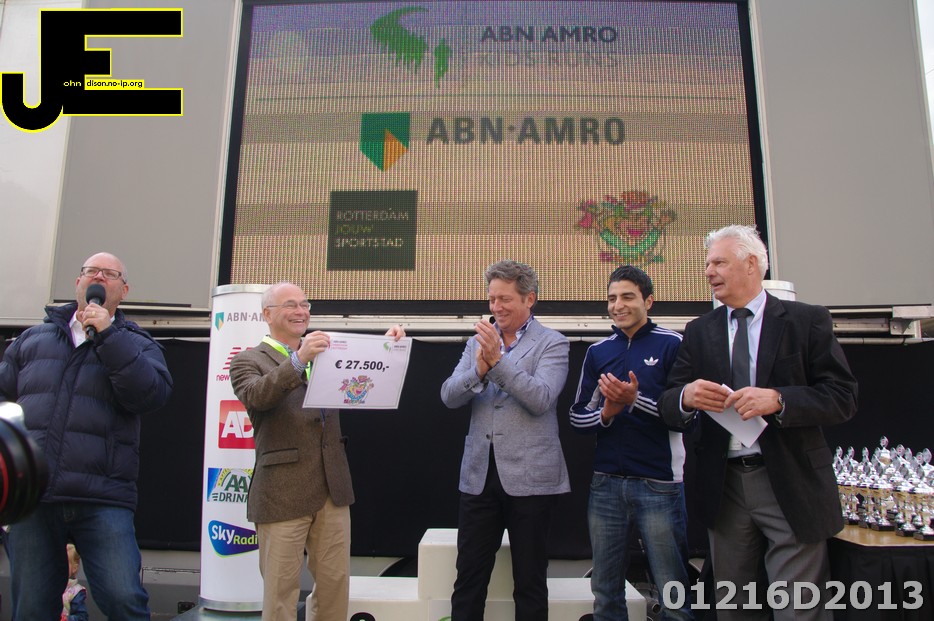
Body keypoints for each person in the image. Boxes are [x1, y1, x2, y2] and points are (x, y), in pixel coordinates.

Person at [658, 225, 858, 620]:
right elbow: (668, 402)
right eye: (708, 264)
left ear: (751, 264)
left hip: (790, 480)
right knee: (734, 607)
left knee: (798, 608)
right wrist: (685, 397)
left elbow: (842, 396)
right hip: (725, 487)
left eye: (719, 262)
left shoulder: (806, 321)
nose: (709, 272)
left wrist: (780, 399)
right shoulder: (700, 331)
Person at [0, 251, 173, 621]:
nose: (99, 277)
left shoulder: (137, 343)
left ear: (123, 291)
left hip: (103, 495)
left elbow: (151, 395)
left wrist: (108, 336)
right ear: (78, 282)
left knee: (124, 600)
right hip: (34, 496)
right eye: (92, 271)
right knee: (31, 607)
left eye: (110, 273)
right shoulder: (32, 340)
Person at [229, 281, 405, 621]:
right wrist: (299, 360)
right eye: (290, 305)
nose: (301, 311)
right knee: (280, 592)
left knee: (334, 586)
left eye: (305, 304)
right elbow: (257, 396)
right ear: (267, 314)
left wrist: (386, 347)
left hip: (332, 488)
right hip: (281, 492)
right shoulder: (247, 360)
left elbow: (364, 377)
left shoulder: (328, 352)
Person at [440, 260, 570, 621]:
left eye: (505, 299)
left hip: (532, 478)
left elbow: (541, 398)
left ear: (530, 299)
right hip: (479, 475)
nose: (496, 307)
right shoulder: (477, 342)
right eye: (492, 299)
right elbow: (449, 395)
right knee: (469, 578)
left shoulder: (553, 343)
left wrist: (497, 363)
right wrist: (479, 369)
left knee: (529, 581)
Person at [570, 265, 693, 621]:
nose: (617, 305)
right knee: (606, 592)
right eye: (612, 298)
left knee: (673, 595)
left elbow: (687, 417)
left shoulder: (672, 344)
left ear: (648, 301)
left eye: (627, 297)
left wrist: (634, 400)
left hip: (660, 483)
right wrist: (608, 413)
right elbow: (577, 418)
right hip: (606, 484)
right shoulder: (598, 352)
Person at [62, 543, 89, 621]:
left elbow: (82, 617)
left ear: (74, 568)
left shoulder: (75, 592)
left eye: (64, 563)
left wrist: (67, 619)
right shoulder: (47, 586)